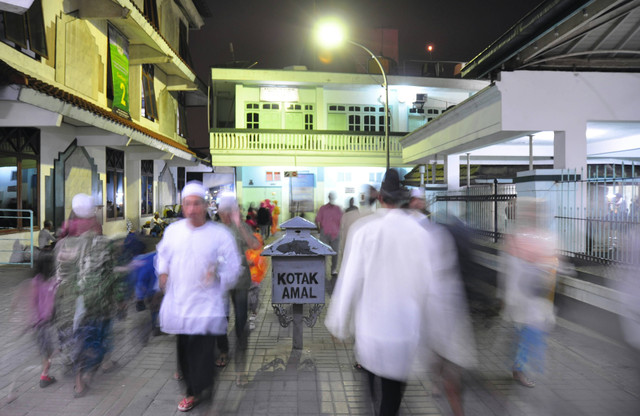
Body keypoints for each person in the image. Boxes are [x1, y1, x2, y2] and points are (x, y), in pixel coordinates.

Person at [326, 169, 440, 415]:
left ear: (380, 199)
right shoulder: (421, 234)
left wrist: (338, 322)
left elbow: (349, 279)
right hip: (403, 332)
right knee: (392, 395)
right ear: (405, 201)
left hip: (371, 330)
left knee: (370, 383)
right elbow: (428, 284)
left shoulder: (365, 231)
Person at [156, 181, 242, 412]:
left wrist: (218, 275)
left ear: (205, 206)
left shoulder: (219, 234)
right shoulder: (173, 231)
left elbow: (234, 267)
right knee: (184, 352)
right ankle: (193, 390)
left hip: (206, 306)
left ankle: (200, 389)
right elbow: (162, 255)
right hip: (181, 304)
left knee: (202, 352)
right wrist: (163, 273)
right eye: (188, 204)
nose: (192, 209)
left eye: (197, 204)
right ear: (182, 207)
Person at [53, 193, 118, 398]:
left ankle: (79, 380)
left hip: (68, 303)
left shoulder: (62, 245)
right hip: (93, 302)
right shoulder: (101, 243)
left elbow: (59, 277)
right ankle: (88, 374)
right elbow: (109, 274)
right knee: (92, 338)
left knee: (75, 338)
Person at [498, 197, 557, 388]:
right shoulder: (516, 236)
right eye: (532, 212)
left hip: (534, 297)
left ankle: (518, 368)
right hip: (521, 296)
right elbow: (509, 269)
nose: (535, 215)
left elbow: (550, 266)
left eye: (537, 212)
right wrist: (506, 296)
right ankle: (518, 369)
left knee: (526, 333)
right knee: (524, 334)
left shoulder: (544, 237)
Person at [215, 193, 260, 387]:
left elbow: (255, 245)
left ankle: (241, 370)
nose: (225, 215)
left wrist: (240, 224)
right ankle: (224, 351)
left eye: (229, 211)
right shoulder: (213, 230)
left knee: (241, 324)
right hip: (220, 283)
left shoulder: (241, 227)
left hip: (241, 282)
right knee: (220, 321)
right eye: (223, 211)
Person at [30, 250, 58, 388]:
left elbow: (32, 301)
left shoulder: (35, 281)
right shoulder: (53, 283)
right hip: (45, 322)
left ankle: (45, 373)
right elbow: (53, 303)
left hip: (36, 323)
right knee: (48, 352)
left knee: (44, 351)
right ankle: (44, 376)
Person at [315, 191, 343, 277]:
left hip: (335, 234)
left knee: (335, 252)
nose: (332, 198)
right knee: (323, 252)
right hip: (325, 233)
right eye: (331, 197)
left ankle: (333, 269)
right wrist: (319, 230)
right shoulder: (323, 208)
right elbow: (317, 220)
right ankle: (322, 269)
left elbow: (342, 221)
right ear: (329, 197)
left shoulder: (338, 209)